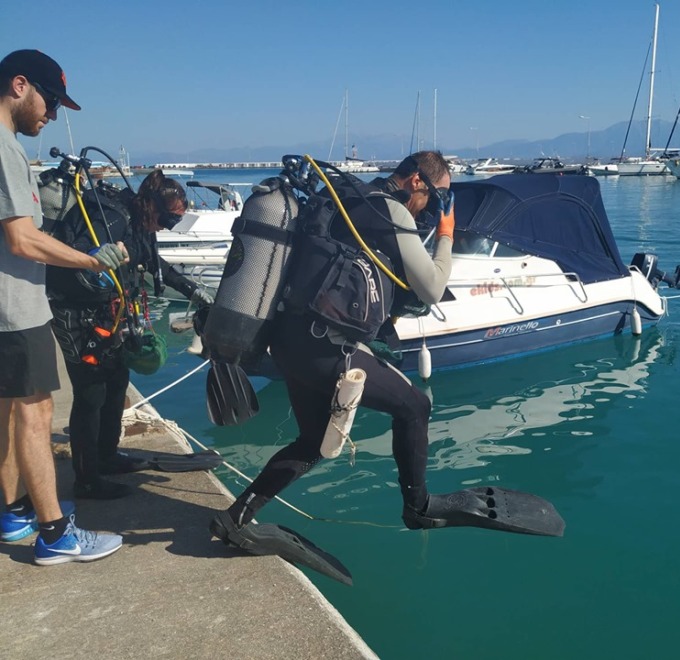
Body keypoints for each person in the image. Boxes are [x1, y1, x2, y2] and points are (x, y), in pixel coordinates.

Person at [209, 152, 563, 582]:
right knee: (414, 407)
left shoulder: (345, 199)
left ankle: (235, 518)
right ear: (416, 181)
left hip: (288, 342)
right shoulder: (388, 210)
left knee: (313, 441)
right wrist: (446, 233)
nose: (434, 209)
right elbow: (432, 287)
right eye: (438, 197)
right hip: (325, 348)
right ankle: (419, 507)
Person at [0, 49, 123, 564]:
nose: (51, 115)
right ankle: (55, 535)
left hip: (9, 308)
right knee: (36, 412)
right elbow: (22, 239)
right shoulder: (4, 147)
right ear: (20, 85)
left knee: (9, 411)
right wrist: (91, 260)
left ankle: (13, 513)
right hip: (13, 308)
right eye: (50, 101)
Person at [48, 169, 214, 499]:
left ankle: (107, 456)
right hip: (78, 316)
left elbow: (155, 264)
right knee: (90, 394)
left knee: (116, 383)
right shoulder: (112, 218)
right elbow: (77, 255)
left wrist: (193, 290)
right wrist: (92, 258)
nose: (169, 227)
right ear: (151, 205)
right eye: (168, 219)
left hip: (110, 315)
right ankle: (87, 480)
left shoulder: (138, 224)